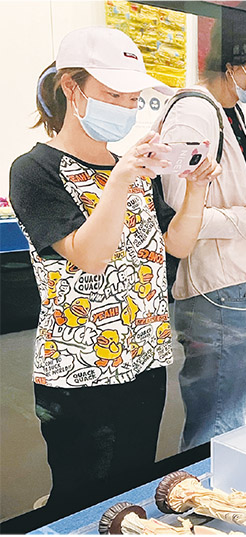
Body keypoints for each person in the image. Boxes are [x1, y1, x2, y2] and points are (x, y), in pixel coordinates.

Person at [9, 27, 218, 514]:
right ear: (71, 88)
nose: (124, 108)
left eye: (131, 99)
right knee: (82, 494)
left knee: (132, 481)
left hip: (144, 356)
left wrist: (197, 188)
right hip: (80, 368)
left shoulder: (133, 168)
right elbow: (89, 255)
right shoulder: (36, 170)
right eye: (111, 95)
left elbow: (175, 246)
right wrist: (120, 179)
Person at [159, 8, 246, 450]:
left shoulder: (228, 112)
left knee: (229, 413)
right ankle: (201, 491)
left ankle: (214, 487)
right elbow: (184, 214)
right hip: (216, 288)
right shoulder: (194, 114)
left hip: (240, 281)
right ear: (232, 63)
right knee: (217, 420)